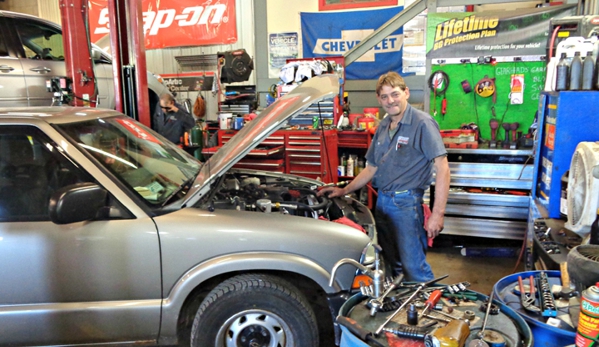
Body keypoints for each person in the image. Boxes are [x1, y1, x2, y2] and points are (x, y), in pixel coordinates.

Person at [319, 72, 450, 282]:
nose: (390, 101)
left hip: (406, 204)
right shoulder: (383, 126)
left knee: (413, 266)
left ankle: (426, 307)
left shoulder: (422, 123)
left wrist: (438, 214)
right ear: (379, 99)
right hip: (383, 202)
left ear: (405, 93)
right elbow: (371, 168)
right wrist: (344, 190)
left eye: (395, 94)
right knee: (391, 263)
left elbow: (442, 168)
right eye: (385, 97)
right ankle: (402, 307)